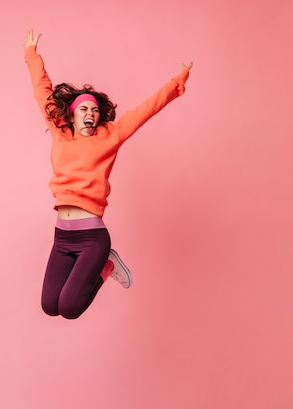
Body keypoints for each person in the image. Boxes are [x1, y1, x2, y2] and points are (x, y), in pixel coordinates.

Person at [24, 29, 192, 319]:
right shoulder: (60, 133)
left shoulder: (109, 135)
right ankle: (103, 264)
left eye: (95, 110)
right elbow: (42, 91)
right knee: (50, 306)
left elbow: (145, 110)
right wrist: (31, 55)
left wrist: (177, 83)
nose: (90, 113)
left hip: (92, 237)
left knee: (70, 308)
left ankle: (107, 265)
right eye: (84, 109)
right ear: (72, 115)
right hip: (62, 237)